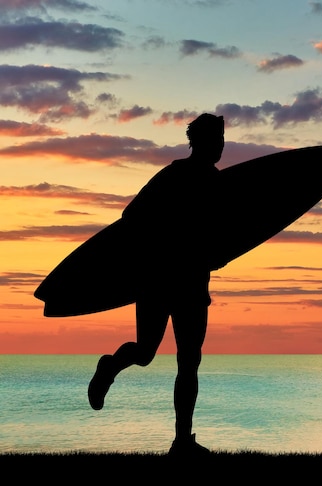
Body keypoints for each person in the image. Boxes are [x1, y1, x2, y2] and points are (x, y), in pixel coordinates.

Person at [87, 113, 225, 456]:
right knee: (148, 353)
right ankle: (110, 366)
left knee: (188, 361)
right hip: (159, 281)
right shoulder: (174, 175)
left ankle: (182, 441)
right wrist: (166, 242)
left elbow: (225, 234)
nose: (222, 146)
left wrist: (215, 254)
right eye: (218, 140)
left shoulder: (219, 184)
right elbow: (131, 217)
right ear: (203, 142)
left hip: (191, 283)